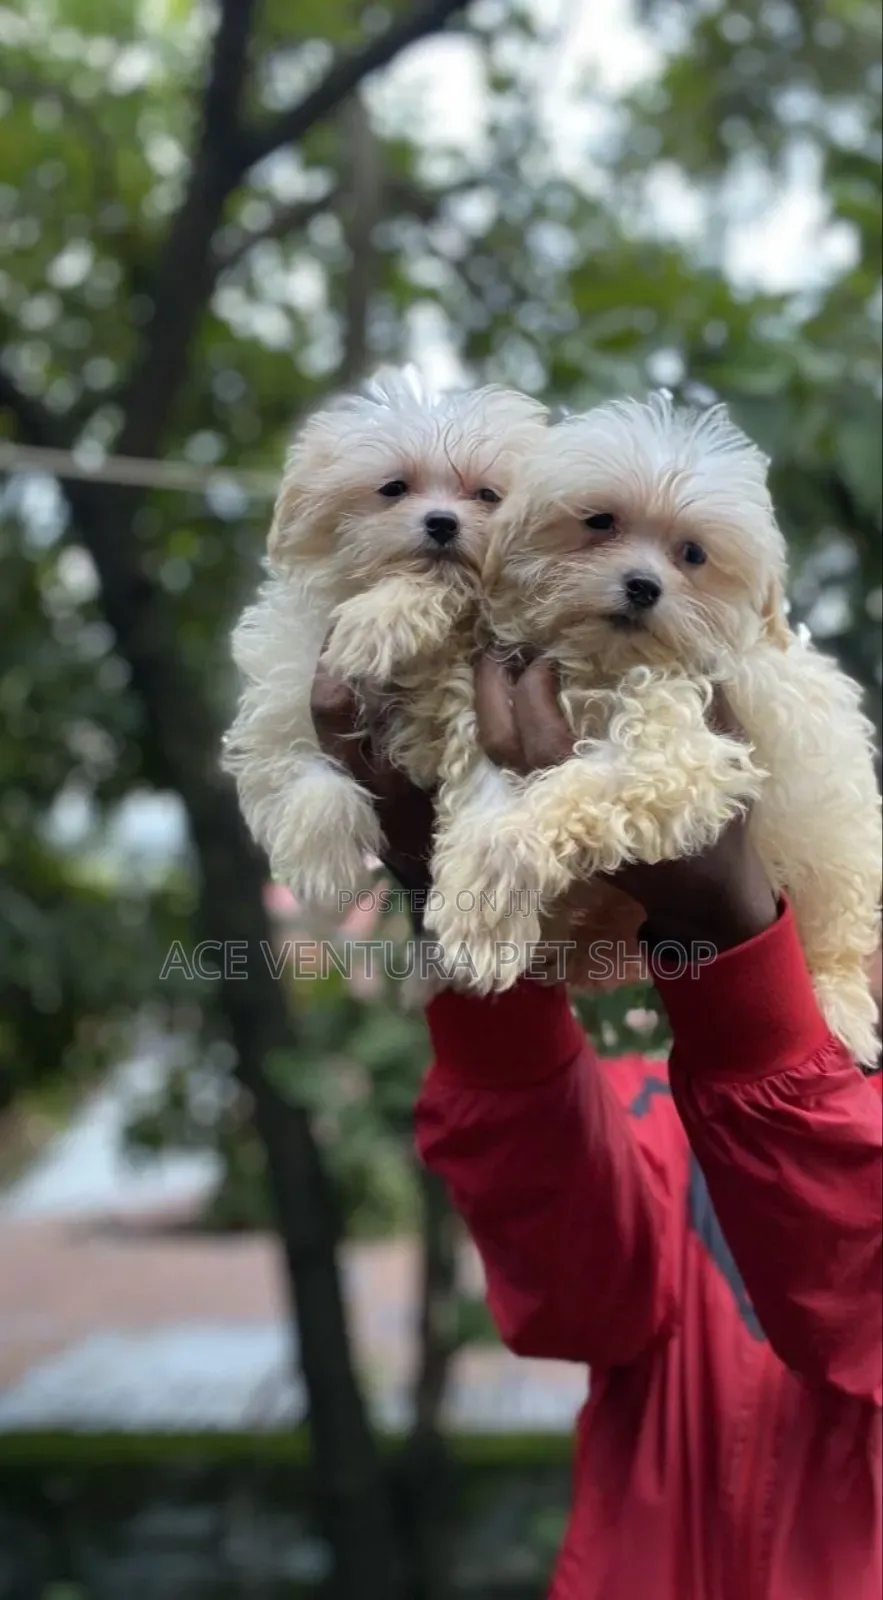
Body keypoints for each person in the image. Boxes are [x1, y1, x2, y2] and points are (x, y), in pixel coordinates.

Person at [311, 651, 882, 1600]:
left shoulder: (718, 1085)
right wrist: (447, 886)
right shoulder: (659, 1108)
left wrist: (723, 926)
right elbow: (580, 1303)